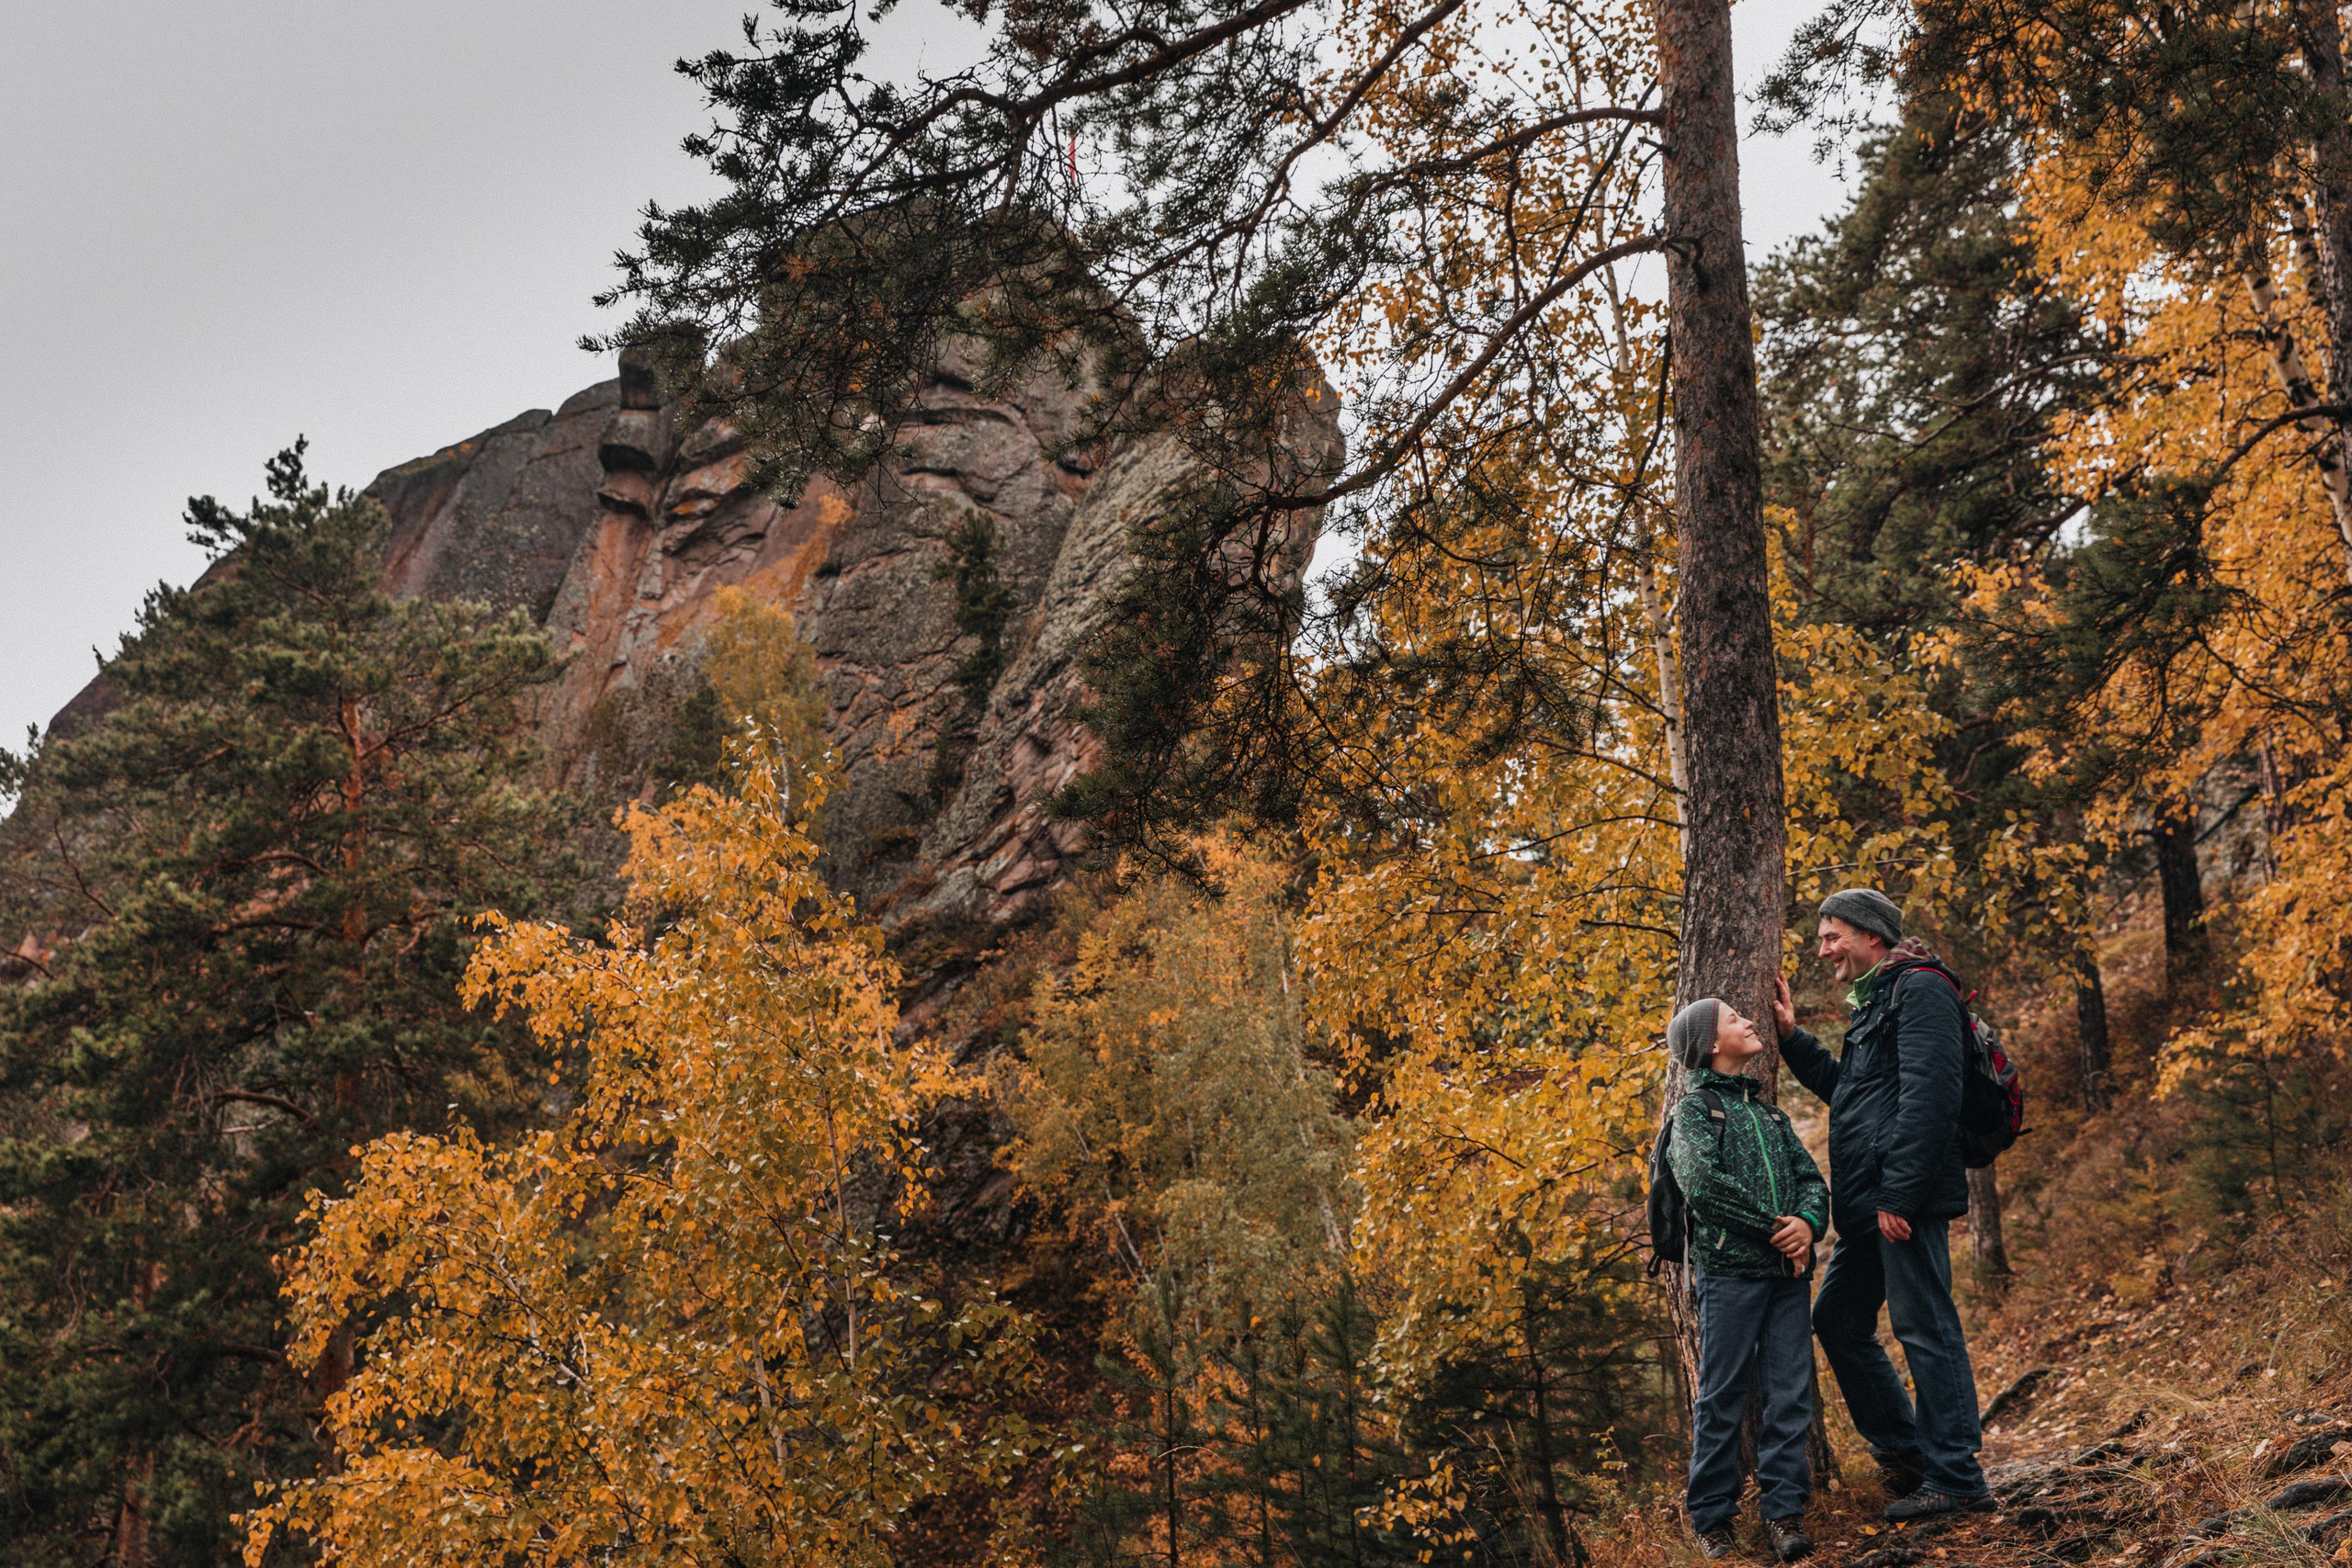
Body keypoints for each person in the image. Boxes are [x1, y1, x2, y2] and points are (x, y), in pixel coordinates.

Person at [1770, 887, 1995, 1520]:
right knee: (1838, 1317)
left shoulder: (1920, 988)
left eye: (1832, 934)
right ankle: (1910, 1455)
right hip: (1872, 1199)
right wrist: (1791, 1039)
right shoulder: (1879, 999)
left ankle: (1956, 1474)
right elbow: (1855, 1094)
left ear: (1872, 934)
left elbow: (1932, 1096)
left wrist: (1901, 1190)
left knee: (1926, 1325)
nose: (1824, 948)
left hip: (1902, 1197)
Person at [1667, 996, 1831, 1562]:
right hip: (1729, 1278)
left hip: (1789, 1278)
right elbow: (1702, 1186)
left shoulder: (1769, 1115)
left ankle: (1784, 1516)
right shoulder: (1694, 1111)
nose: (1750, 1021)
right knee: (1721, 1398)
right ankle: (1712, 1520)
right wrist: (1775, 1230)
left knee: (1788, 1397)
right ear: (1711, 1045)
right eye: (1735, 1019)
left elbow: (1812, 1181)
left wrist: (1807, 1225)